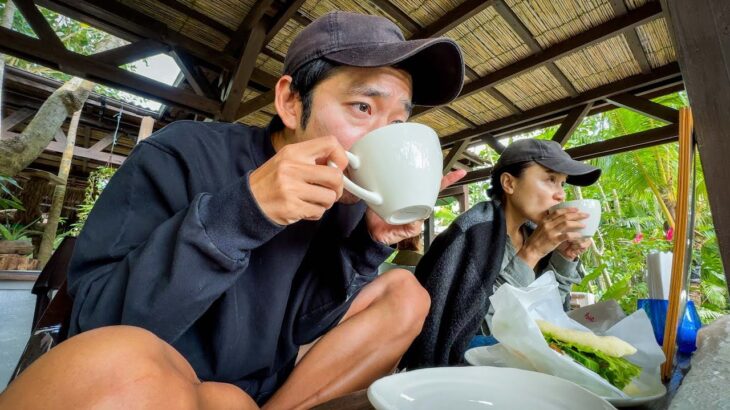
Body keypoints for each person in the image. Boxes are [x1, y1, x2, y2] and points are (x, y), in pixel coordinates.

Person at [0, 11, 466, 410]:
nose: (382, 136)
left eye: (398, 121)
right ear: (288, 101)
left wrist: (367, 244)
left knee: (406, 291)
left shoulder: (346, 202)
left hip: (258, 390)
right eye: (362, 106)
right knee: (120, 362)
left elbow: (307, 325)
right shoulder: (181, 153)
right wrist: (244, 211)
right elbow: (98, 326)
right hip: (158, 379)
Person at [401, 138, 601, 369]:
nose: (560, 195)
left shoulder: (533, 233)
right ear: (509, 183)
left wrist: (563, 258)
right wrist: (531, 253)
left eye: (562, 184)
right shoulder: (473, 232)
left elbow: (548, 315)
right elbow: (475, 331)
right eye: (550, 179)